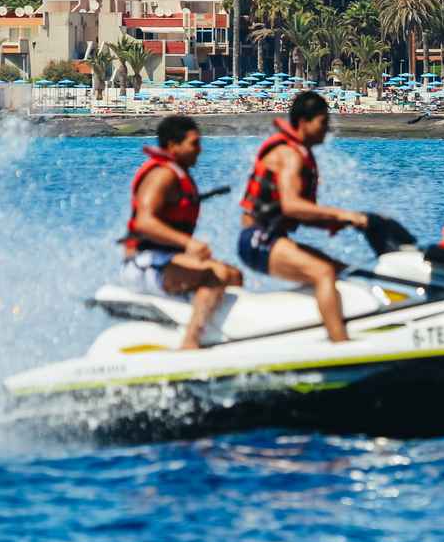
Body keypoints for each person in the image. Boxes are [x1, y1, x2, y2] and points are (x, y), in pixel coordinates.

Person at [238, 91, 369, 343]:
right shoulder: (289, 156)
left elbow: (298, 212)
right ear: (303, 122)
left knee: (342, 270)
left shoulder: (299, 154)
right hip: (258, 240)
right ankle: (341, 345)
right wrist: (341, 213)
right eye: (323, 123)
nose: (326, 130)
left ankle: (331, 329)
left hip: (271, 238)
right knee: (323, 273)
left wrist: (334, 222)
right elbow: (291, 206)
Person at [120, 115, 242, 349]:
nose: (199, 150)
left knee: (234, 275)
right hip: (141, 263)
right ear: (173, 146)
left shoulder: (178, 173)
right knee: (214, 275)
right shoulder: (162, 175)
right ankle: (191, 341)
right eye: (194, 143)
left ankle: (222, 334)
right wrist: (189, 244)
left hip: (164, 260)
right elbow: (144, 222)